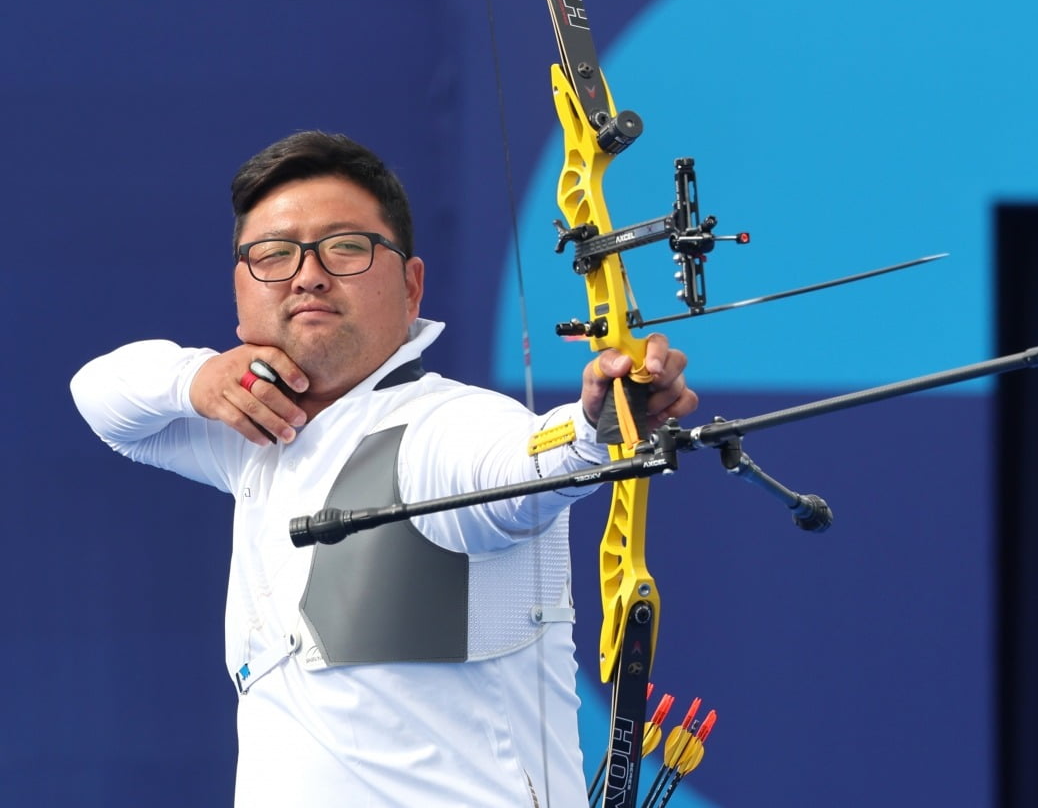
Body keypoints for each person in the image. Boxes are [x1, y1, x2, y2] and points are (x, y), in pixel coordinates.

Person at [70, 131, 697, 807]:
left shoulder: (444, 426)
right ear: (239, 292)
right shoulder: (256, 436)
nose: (308, 273)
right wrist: (197, 376)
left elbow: (518, 467)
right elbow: (101, 397)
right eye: (274, 254)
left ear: (410, 285)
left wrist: (594, 428)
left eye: (346, 246)